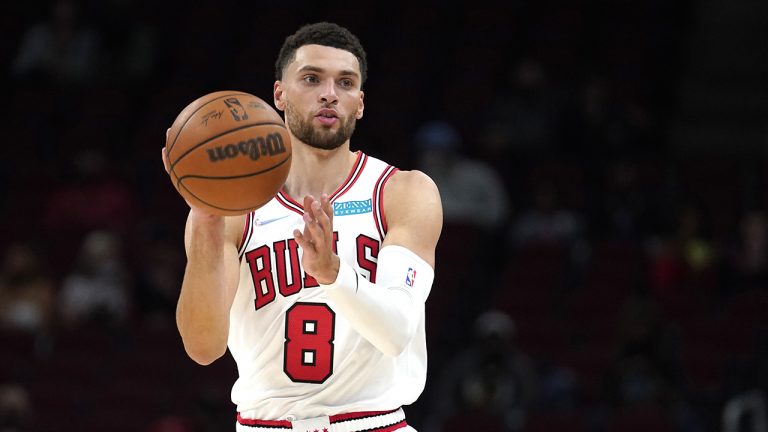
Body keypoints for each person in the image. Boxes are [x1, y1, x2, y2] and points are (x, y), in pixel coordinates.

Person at [162, 22, 443, 432]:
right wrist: (205, 216)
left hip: (373, 423)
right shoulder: (231, 209)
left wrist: (333, 274)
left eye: (345, 83)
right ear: (279, 94)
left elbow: (397, 332)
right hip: (266, 425)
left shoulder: (401, 193)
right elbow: (203, 348)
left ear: (360, 103)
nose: (330, 93)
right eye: (312, 78)